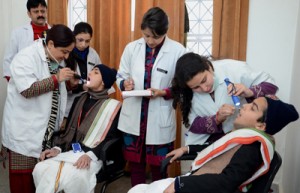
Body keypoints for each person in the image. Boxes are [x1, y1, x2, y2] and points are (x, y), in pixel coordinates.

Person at [128, 96, 299, 193]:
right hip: (195, 180)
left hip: (195, 186)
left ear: (261, 126)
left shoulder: (253, 148)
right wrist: (186, 149)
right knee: (138, 190)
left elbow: (226, 182)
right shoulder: (245, 137)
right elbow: (215, 149)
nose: (244, 106)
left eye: (252, 108)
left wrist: (180, 185)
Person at [1, 24, 76, 193]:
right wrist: (57, 79)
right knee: (23, 184)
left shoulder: (54, 59)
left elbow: (55, 93)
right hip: (24, 135)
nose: (66, 56)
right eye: (64, 51)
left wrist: (69, 84)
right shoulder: (25, 57)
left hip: (46, 134)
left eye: (69, 52)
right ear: (50, 44)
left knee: (43, 182)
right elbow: (27, 90)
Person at [116, 7, 186, 186]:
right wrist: (125, 84)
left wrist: (165, 92)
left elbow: (184, 85)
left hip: (158, 118)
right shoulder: (132, 48)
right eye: (146, 35)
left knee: (159, 167)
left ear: (165, 32)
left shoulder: (178, 51)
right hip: (134, 118)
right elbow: (120, 75)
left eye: (156, 36)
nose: (150, 40)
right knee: (136, 165)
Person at [32, 64, 121, 193]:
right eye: (91, 71)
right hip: (72, 150)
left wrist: (90, 155)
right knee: (41, 168)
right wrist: (57, 148)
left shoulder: (113, 107)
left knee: (76, 176)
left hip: (95, 154)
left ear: (103, 82)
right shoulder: (80, 99)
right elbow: (69, 132)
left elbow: (110, 138)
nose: (89, 73)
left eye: (95, 72)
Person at [171, 52, 278, 146]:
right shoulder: (186, 93)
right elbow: (193, 124)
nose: (204, 88)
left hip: (241, 137)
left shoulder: (233, 68)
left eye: (204, 80)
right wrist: (217, 119)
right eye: (196, 87)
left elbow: (271, 86)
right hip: (207, 143)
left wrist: (249, 92)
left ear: (208, 67)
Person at [2, 0, 50, 81]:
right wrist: (12, 81)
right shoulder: (18, 33)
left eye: (42, 11)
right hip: (25, 79)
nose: (40, 14)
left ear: (46, 11)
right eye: (36, 11)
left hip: (49, 79)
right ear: (29, 14)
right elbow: (8, 59)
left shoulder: (54, 32)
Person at [64, 22, 102, 119]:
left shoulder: (93, 54)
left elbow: (100, 74)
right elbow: (62, 83)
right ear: (74, 36)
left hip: (89, 101)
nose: (83, 44)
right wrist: (81, 86)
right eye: (80, 40)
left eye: (87, 41)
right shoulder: (66, 53)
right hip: (69, 102)